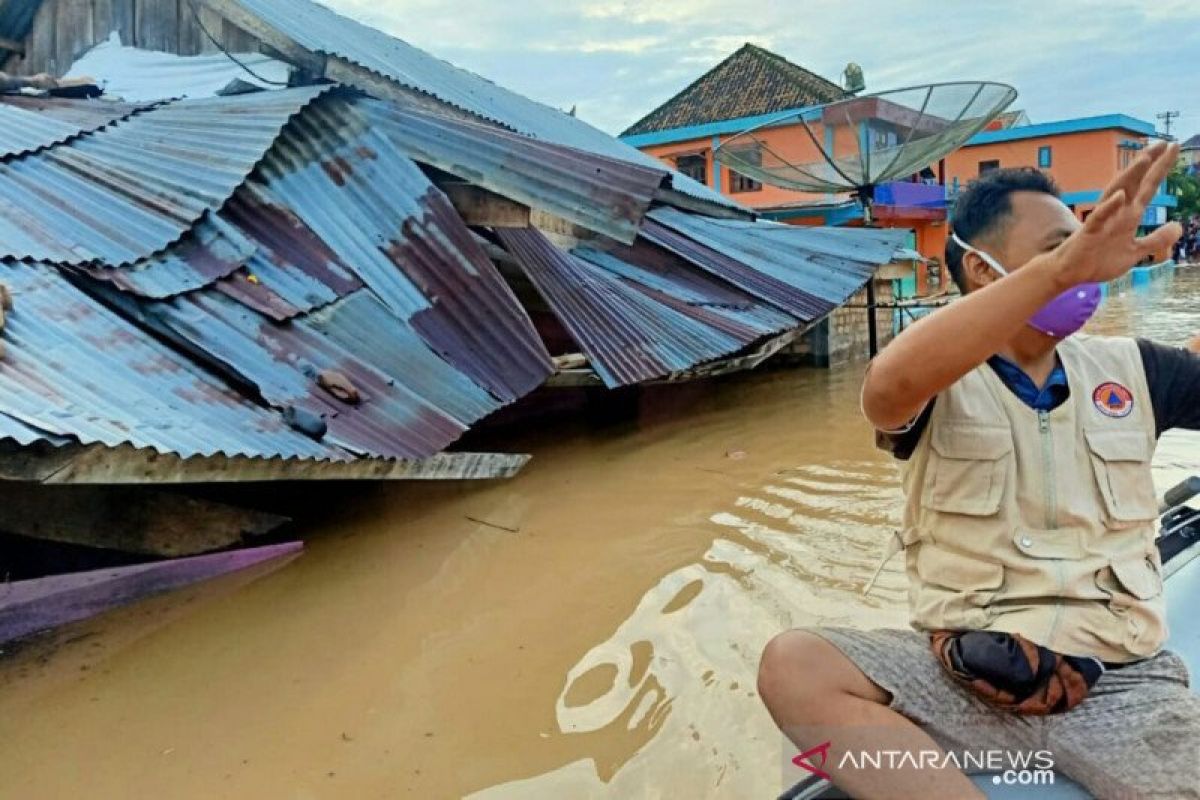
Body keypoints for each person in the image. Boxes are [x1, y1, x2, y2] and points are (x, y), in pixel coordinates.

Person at [758, 141, 1200, 799]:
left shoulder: (1138, 368)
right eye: (1059, 250)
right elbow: (886, 387)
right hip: (967, 680)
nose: (1080, 269)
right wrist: (1056, 275)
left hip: (1124, 683)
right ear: (982, 268)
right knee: (794, 664)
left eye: (1083, 251)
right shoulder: (936, 374)